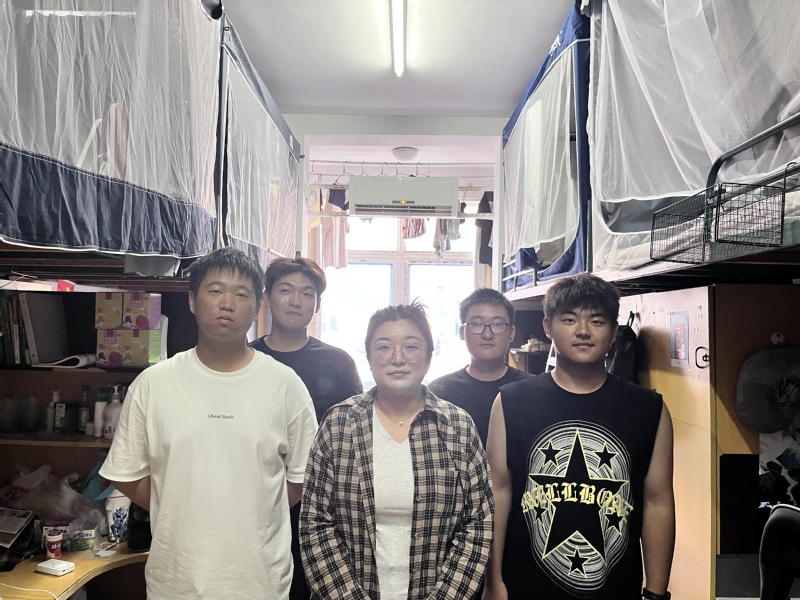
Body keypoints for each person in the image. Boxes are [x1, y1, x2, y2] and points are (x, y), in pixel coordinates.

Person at [99, 247, 318, 599]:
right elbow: (125, 473)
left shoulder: (285, 385)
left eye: (241, 294)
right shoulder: (154, 384)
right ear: (192, 301)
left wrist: (254, 508)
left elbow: (302, 480)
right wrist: (178, 504)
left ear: (257, 307)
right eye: (215, 291)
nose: (227, 303)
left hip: (259, 581)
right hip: (176, 582)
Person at [484, 273, 675, 600]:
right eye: (569, 319)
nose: (583, 331)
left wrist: (656, 593)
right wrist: (493, 581)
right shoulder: (511, 402)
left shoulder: (648, 408)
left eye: (597, 321)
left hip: (615, 590)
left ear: (614, 332)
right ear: (548, 327)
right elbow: (498, 492)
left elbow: (658, 502)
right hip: (523, 588)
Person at [300, 301, 494, 600]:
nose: (398, 358)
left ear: (429, 355)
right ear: (368, 356)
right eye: (384, 347)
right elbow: (315, 523)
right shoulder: (340, 422)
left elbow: (478, 524)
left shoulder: (458, 426)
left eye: (411, 347)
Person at [250, 256, 363, 600]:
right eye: (285, 290)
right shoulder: (246, 359)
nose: (296, 301)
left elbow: (357, 431)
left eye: (307, 293)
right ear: (267, 297)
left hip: (324, 502)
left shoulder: (338, 362)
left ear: (317, 304)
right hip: (258, 496)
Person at [428, 288, 534, 447]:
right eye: (477, 324)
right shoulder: (439, 391)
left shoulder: (532, 389)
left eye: (497, 324)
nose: (487, 335)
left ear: (511, 333)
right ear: (462, 332)